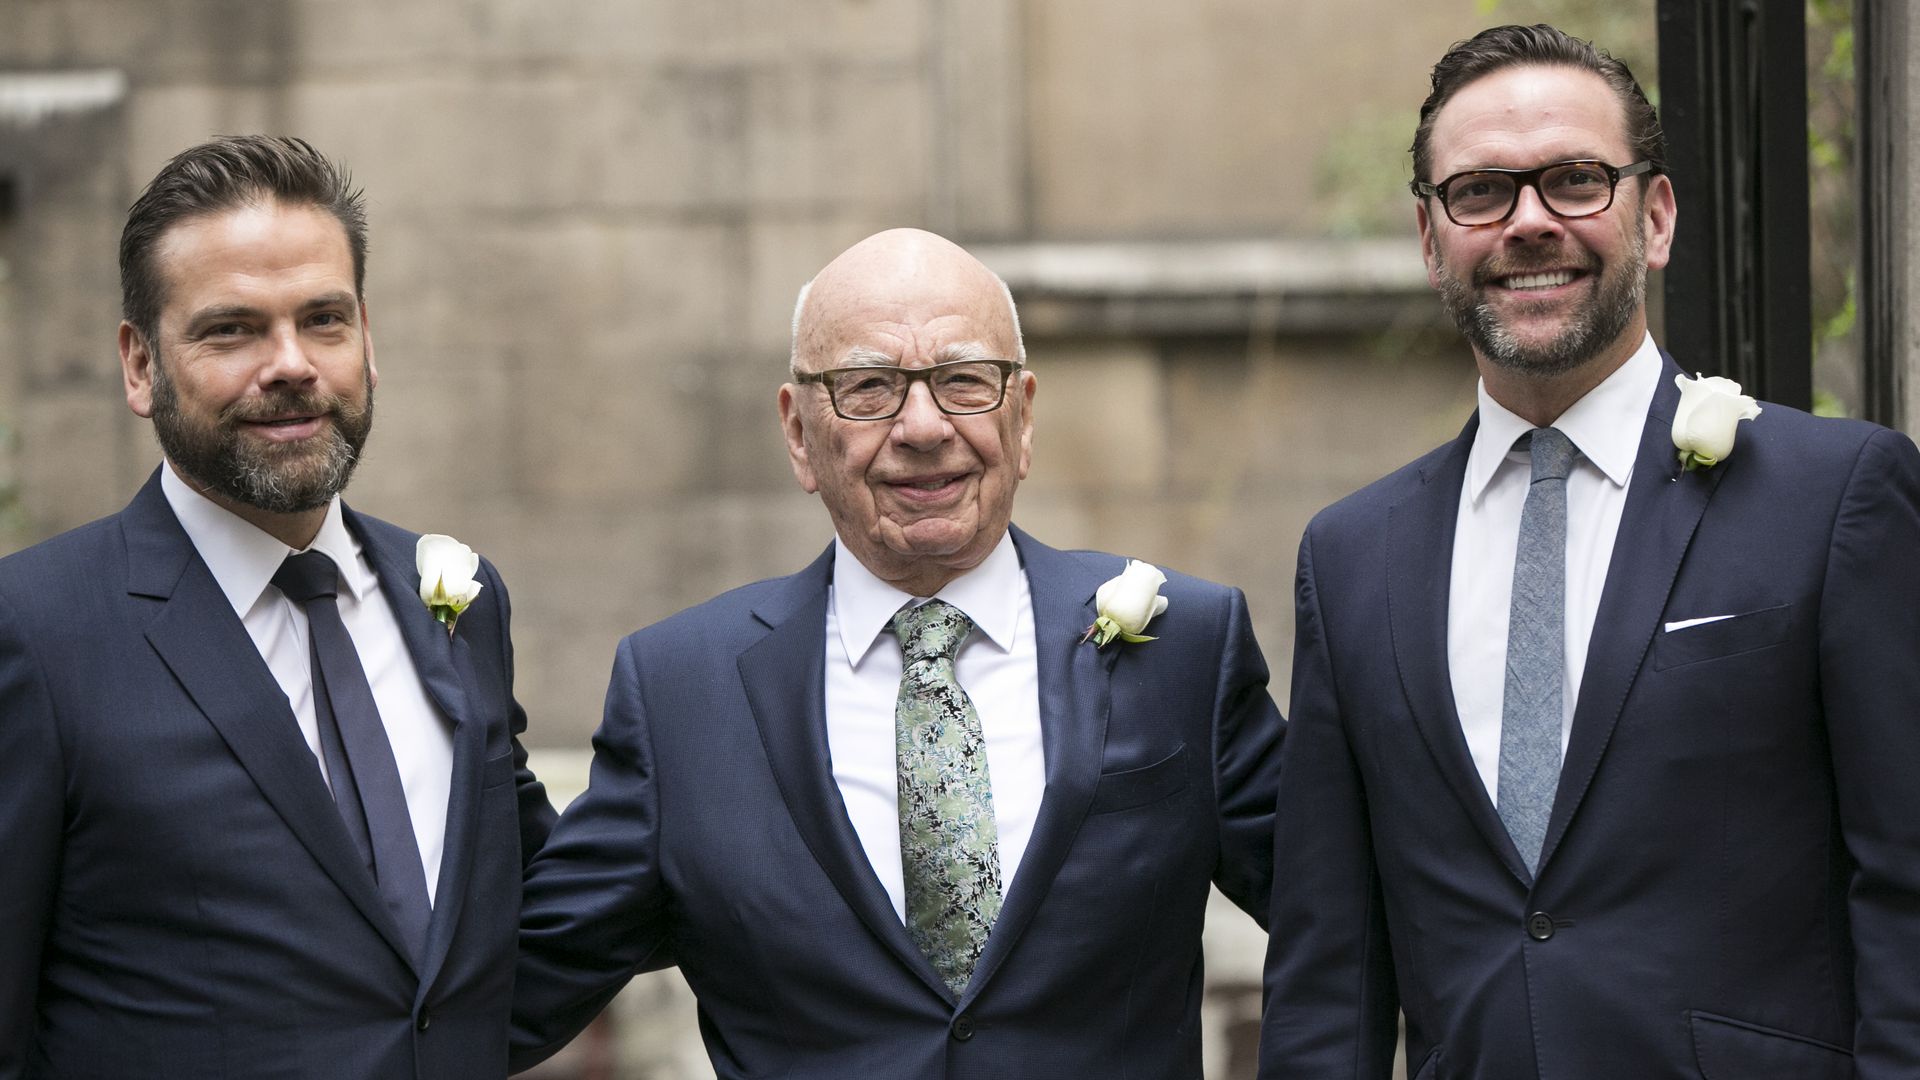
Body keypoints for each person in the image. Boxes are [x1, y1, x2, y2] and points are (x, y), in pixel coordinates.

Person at [1259, 23, 1920, 1080]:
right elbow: (1327, 975)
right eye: (1481, 192)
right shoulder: (1352, 559)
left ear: (1654, 218)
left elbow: (1907, 894)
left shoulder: (1833, 498)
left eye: (1574, 180)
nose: (1528, 222)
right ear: (1432, 241)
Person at [510, 227, 1284, 1079]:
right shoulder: (680, 693)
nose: (923, 427)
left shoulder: (1185, 649)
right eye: (869, 388)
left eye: (963, 382)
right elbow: (510, 994)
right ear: (800, 433)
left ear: (1022, 416)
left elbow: (1346, 925)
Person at [0, 135, 555, 1078]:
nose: (291, 364)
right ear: (140, 366)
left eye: (324, 320)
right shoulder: (33, 634)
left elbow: (520, 918)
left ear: (368, 341)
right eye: (232, 330)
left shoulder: (459, 601)